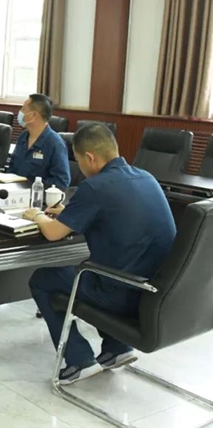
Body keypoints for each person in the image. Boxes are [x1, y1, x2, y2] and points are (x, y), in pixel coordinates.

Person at [24, 124, 176, 385]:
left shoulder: (94, 187)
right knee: (107, 268)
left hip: (120, 295)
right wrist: (70, 213)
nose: (80, 167)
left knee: (42, 280)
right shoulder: (147, 177)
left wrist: (36, 215)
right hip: (155, 292)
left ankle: (79, 360)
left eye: (79, 160)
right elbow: (115, 213)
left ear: (90, 157)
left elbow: (53, 233)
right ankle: (117, 348)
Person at [8, 94, 70, 189]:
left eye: (24, 109)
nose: (20, 112)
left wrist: (34, 187)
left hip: (37, 195)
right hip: (14, 191)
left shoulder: (55, 144)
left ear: (33, 115)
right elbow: (12, 167)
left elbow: (61, 182)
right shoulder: (23, 136)